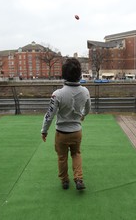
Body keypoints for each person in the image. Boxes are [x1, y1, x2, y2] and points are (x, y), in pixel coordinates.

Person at [41, 58, 91, 190]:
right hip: (76, 131)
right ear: (79, 73)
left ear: (64, 74)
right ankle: (79, 178)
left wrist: (44, 131)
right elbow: (88, 109)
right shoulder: (85, 91)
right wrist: (83, 115)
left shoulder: (57, 94)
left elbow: (49, 115)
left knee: (62, 157)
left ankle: (64, 180)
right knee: (76, 154)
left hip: (61, 133)